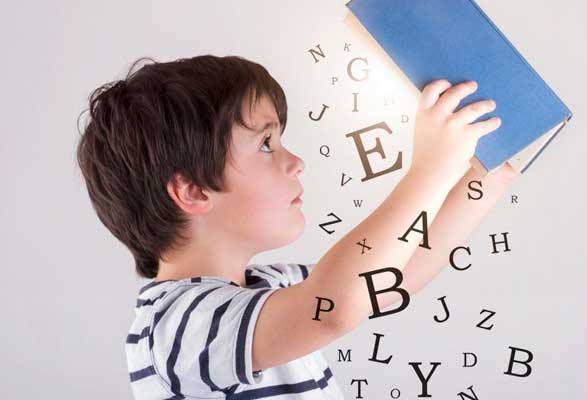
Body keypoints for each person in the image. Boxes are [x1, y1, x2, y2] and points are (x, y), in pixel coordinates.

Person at [76, 54, 517, 399]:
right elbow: (335, 306)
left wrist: (485, 178)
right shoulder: (173, 327)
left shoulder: (272, 285)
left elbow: (397, 272)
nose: (295, 162)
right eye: (266, 144)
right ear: (193, 191)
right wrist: (428, 171)